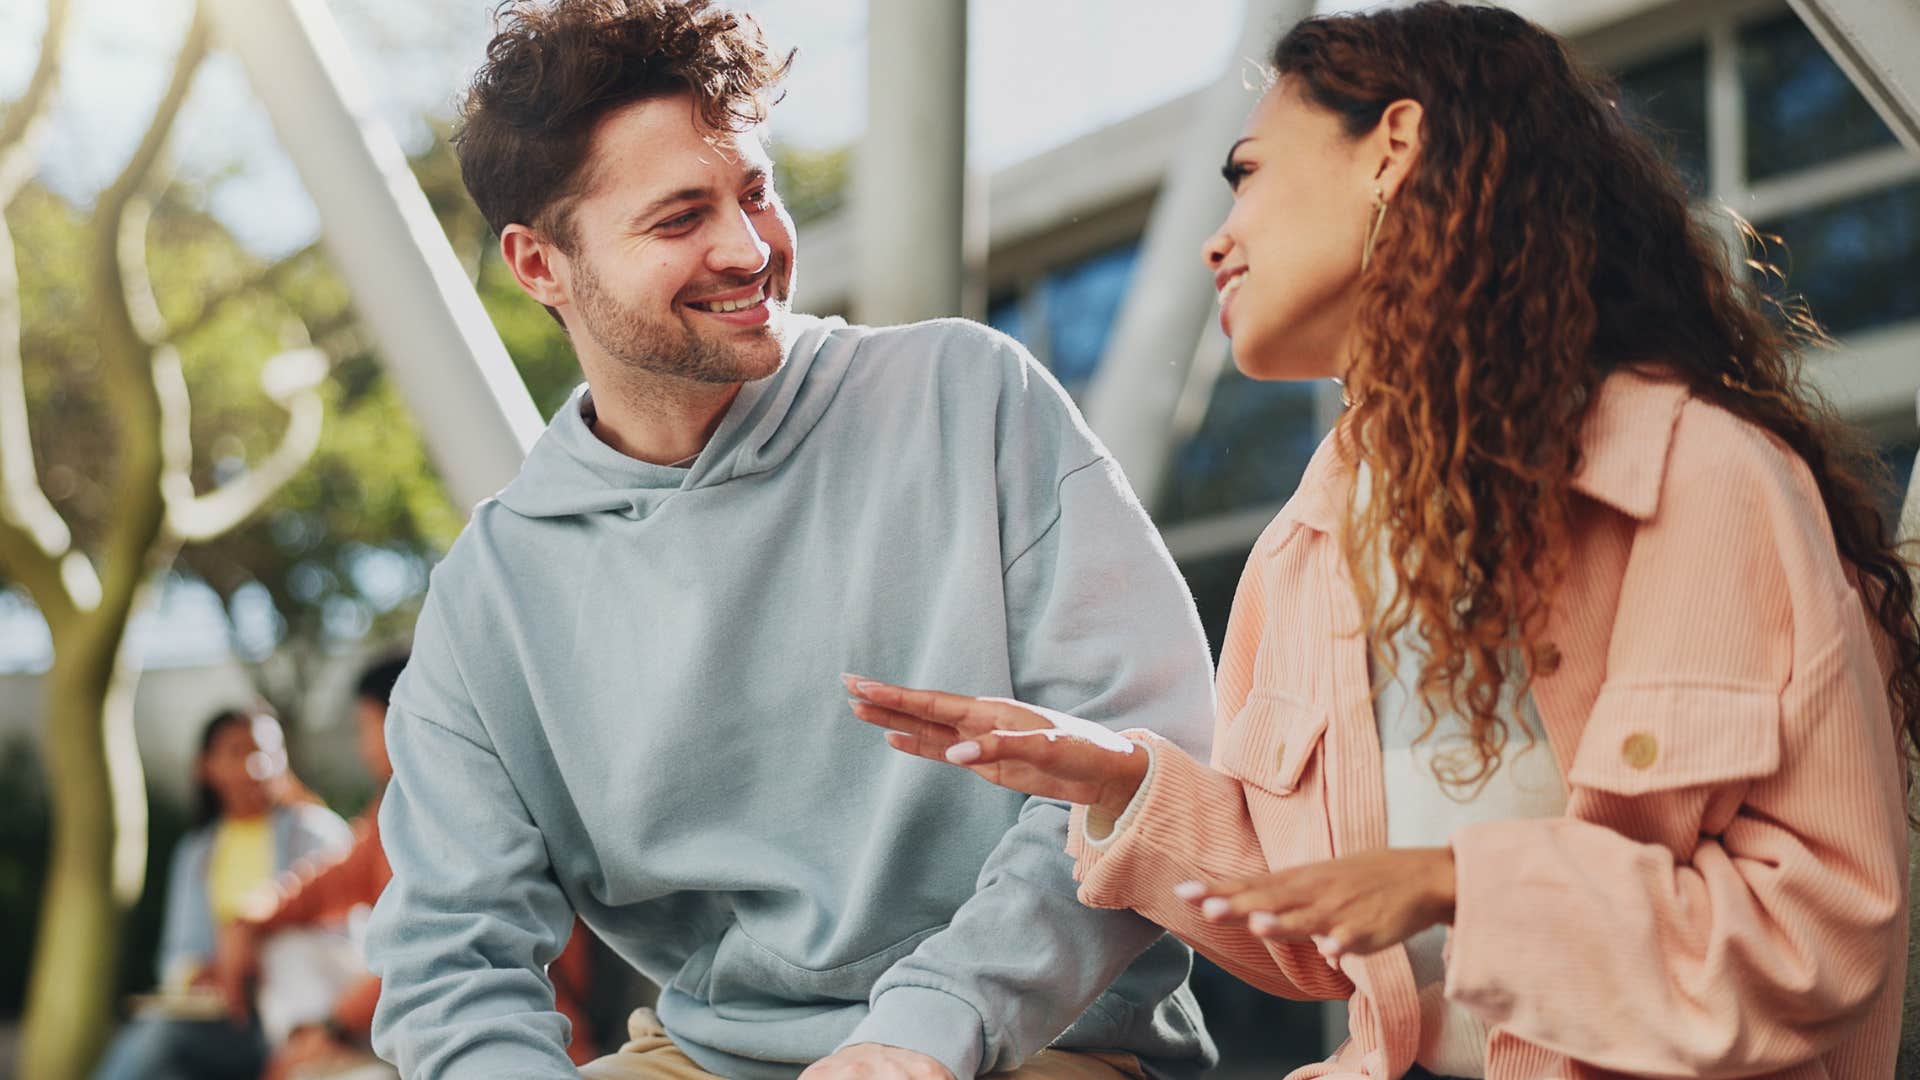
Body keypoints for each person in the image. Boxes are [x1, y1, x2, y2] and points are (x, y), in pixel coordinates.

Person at [847, 4, 1920, 1078]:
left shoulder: (1700, 476)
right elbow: (1325, 944)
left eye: (1251, 173)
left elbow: (1813, 941)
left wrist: (1466, 884)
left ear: (1393, 150)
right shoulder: (1306, 549)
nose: (1221, 235)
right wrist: (1120, 780)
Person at [363, 2, 1219, 1079]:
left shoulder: (965, 395)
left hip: (1034, 1037)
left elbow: (1140, 763)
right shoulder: (493, 595)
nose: (747, 247)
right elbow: (450, 957)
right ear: (540, 265)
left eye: (755, 193)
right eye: (680, 219)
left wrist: (924, 1032)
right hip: (711, 1054)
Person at [209, 655, 601, 1079]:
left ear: (403, 716)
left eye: (364, 727)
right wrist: (246, 923)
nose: (361, 746)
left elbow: (441, 950)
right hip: (418, 1021)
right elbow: (317, 885)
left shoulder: (472, 802)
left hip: (505, 1033)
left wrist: (332, 1025)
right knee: (285, 952)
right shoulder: (391, 812)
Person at [93, 708, 352, 1080]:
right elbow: (176, 954)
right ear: (206, 767)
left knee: (160, 1036)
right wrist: (200, 976)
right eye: (237, 752)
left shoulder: (315, 833)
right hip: (226, 1021)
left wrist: (253, 947)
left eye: (267, 751)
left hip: (294, 1019)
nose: (257, 765)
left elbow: (347, 940)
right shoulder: (197, 851)